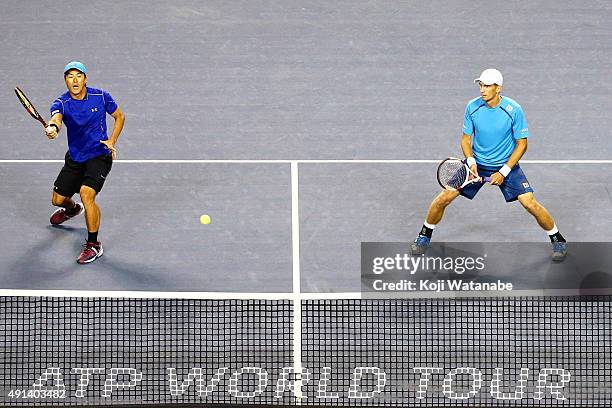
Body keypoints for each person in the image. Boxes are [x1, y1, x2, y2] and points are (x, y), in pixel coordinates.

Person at [411, 68, 567, 261]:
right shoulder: (472, 107)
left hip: (506, 165)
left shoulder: (514, 110)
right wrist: (470, 160)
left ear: (498, 88)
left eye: (487, 86)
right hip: (476, 164)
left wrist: (504, 171)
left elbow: (522, 144)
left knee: (529, 203)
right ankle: (425, 234)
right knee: (444, 197)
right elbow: (466, 139)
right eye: (481, 85)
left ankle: (557, 238)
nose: (482, 90)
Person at [45, 61, 125, 264]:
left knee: (86, 194)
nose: (74, 80)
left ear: (85, 79)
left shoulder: (100, 96)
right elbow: (56, 117)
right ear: (65, 81)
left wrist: (112, 140)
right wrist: (53, 127)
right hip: (75, 157)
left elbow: (119, 116)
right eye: (70, 76)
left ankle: (93, 245)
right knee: (57, 200)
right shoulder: (61, 103)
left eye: (78, 76)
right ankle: (72, 209)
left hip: (99, 155)